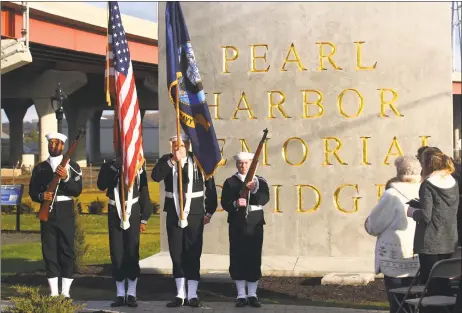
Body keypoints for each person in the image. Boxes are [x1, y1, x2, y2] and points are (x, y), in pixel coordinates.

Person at [151, 134, 218, 308]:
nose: (178, 147)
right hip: (174, 213)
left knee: (193, 253)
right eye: (175, 145)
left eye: (181, 145)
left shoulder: (199, 161)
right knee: (176, 253)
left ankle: (193, 294)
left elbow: (210, 188)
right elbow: (156, 176)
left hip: (195, 213)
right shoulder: (166, 160)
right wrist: (173, 160)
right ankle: (180, 294)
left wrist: (209, 212)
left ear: (188, 145)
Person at [29, 132, 83, 298]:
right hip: (48, 212)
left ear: (63, 146)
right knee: (49, 250)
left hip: (65, 211)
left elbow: (77, 190)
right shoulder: (40, 168)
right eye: (51, 143)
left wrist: (66, 178)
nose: (53, 146)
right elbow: (32, 191)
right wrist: (41, 197)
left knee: (67, 250)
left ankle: (65, 292)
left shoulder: (73, 166)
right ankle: (53, 292)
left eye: (56, 143)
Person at [365, 156, 421, 313]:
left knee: (397, 304)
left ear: (399, 172)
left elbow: (374, 225)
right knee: (414, 303)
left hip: (394, 258)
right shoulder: (424, 191)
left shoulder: (392, 194)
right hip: (417, 256)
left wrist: (367, 223)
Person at [97, 158, 152, 308]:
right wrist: (115, 168)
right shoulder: (109, 166)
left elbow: (144, 191)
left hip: (133, 211)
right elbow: (102, 185)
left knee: (132, 252)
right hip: (115, 212)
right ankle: (120, 294)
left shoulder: (137, 166)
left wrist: (144, 218)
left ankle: (132, 294)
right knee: (117, 252)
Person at [220, 152, 270, 308]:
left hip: (254, 224)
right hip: (237, 224)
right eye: (240, 163)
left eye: (246, 163)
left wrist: (254, 189)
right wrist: (235, 203)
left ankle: (252, 294)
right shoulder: (230, 182)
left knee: (253, 258)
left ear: (251, 165)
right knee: (238, 258)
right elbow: (225, 203)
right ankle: (241, 294)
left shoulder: (260, 181)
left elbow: (264, 199)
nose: (243, 166)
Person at [411, 147, 459, 296]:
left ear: (428, 165)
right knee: (445, 286)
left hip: (430, 242)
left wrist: (412, 212)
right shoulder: (453, 182)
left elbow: (426, 215)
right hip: (450, 240)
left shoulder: (428, 184)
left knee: (431, 287)